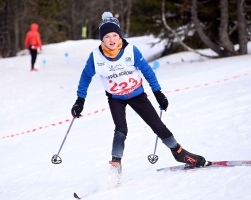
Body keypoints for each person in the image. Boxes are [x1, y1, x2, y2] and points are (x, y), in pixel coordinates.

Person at [71, 12, 207, 174]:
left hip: (137, 94)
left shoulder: (131, 51)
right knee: (121, 129)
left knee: (157, 125)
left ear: (120, 36)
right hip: (115, 98)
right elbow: (85, 77)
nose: (112, 39)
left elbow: (148, 72)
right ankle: (116, 164)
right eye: (107, 36)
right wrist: (80, 100)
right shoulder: (95, 57)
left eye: (115, 35)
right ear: (102, 39)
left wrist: (158, 93)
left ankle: (179, 153)